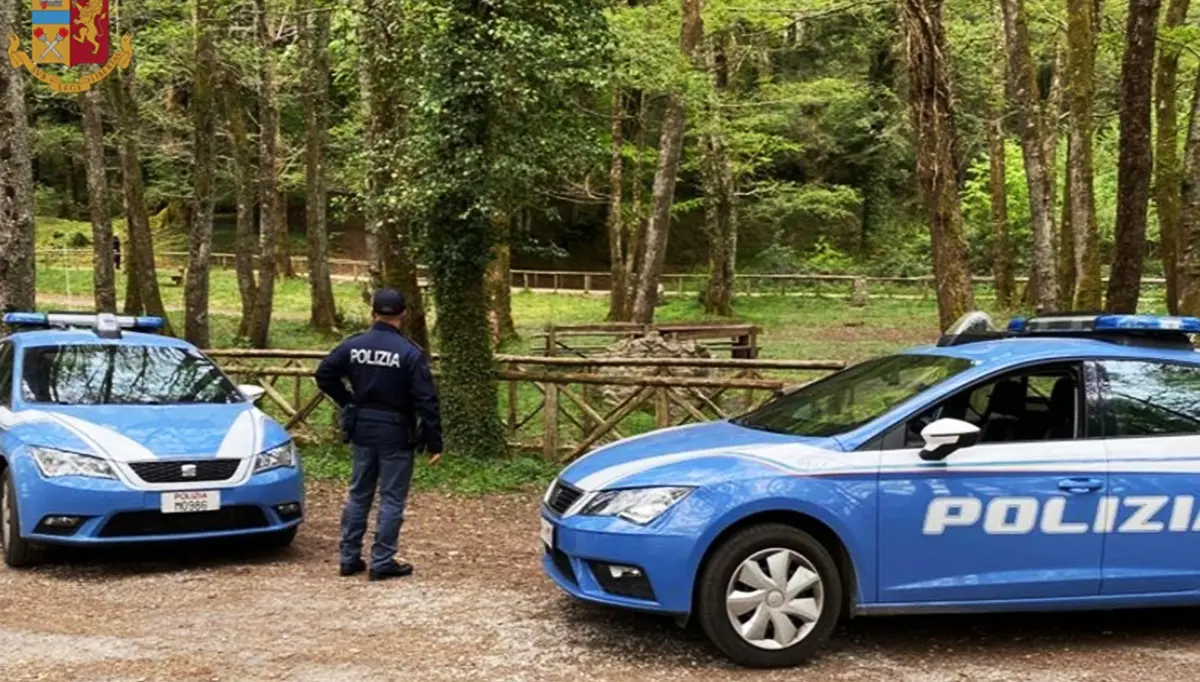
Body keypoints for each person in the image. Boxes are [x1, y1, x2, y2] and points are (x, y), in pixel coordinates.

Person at [314, 288, 443, 581]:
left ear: (373, 312)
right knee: (392, 498)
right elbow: (426, 399)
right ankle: (382, 560)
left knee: (359, 494)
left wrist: (348, 400)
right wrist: (434, 440)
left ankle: (349, 558)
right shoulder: (409, 352)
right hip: (396, 433)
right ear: (404, 314)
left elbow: (324, 375)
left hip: (362, 429)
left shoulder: (353, 345)